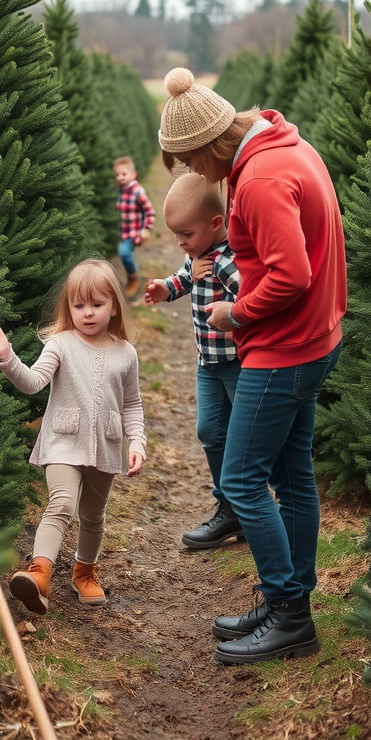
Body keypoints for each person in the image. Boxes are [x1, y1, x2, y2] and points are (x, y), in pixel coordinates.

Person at [158, 67, 346, 664]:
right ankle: (286, 600)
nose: (194, 175)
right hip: (314, 338)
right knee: (291, 479)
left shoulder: (261, 178)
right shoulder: (281, 144)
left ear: (208, 146)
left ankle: (290, 614)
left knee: (241, 478)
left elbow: (293, 274)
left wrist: (236, 313)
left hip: (285, 347)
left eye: (189, 162)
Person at [0, 258, 147, 616]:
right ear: (68, 307)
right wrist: (6, 356)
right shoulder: (61, 344)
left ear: (114, 305)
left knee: (93, 514)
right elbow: (32, 381)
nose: (87, 313)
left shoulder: (125, 353)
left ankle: (84, 570)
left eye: (97, 305)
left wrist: (138, 442)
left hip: (107, 444)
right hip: (62, 440)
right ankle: (39, 573)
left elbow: (132, 403)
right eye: (79, 305)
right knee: (62, 503)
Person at [144, 172, 243, 549]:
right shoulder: (199, 256)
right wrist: (164, 288)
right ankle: (229, 507)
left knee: (241, 434)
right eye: (176, 235)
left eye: (186, 235)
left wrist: (234, 315)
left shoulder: (225, 262)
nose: (180, 243)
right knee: (208, 431)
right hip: (208, 363)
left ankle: (244, 506)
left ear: (215, 223)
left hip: (234, 362)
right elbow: (185, 277)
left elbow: (252, 298)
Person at [114, 156, 155, 296]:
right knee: (125, 253)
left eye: (124, 174)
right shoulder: (122, 190)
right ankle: (132, 275)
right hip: (124, 231)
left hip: (133, 232)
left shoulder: (138, 192)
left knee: (124, 253)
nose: (120, 177)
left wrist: (146, 229)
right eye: (117, 175)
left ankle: (133, 278)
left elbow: (150, 212)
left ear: (133, 174)